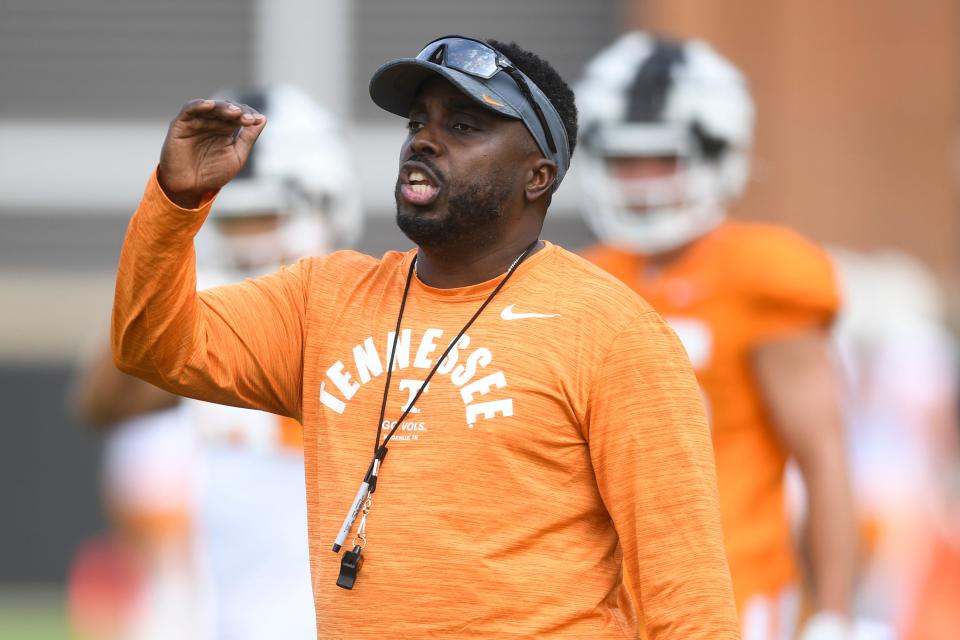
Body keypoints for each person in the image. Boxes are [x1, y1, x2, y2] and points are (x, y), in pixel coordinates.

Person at [111, 35, 740, 637]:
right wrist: (177, 200)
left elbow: (684, 589)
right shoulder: (321, 298)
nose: (426, 142)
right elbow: (153, 345)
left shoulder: (612, 329)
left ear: (538, 176)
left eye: (464, 126)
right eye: (418, 123)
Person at [575, 32, 858, 640]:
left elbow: (824, 456)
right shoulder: (584, 277)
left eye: (661, 159)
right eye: (626, 159)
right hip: (602, 603)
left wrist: (833, 614)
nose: (643, 180)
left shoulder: (765, 275)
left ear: (715, 153)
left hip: (732, 592)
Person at [75, 85, 360, 639]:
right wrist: (162, 294)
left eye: (267, 218)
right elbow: (101, 404)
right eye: (232, 223)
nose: (249, 245)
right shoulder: (211, 321)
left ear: (325, 203)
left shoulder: (370, 309)